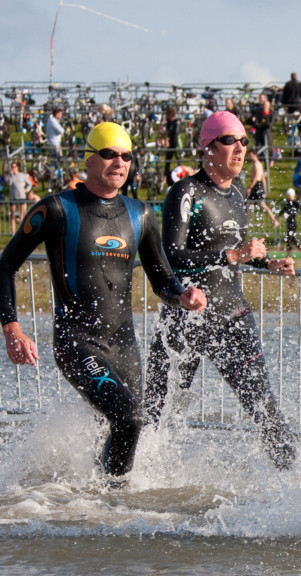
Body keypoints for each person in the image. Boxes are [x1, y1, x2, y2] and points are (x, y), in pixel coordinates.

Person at [0, 122, 207, 481]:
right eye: (109, 153)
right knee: (130, 418)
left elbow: (162, 279)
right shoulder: (56, 209)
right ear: (89, 160)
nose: (119, 161)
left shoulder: (140, 214)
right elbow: (4, 267)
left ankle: (82, 497)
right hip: (77, 343)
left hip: (124, 347)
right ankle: (113, 504)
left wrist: (183, 295)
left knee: (124, 429)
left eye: (127, 155)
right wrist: (12, 329)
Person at [144, 111, 297, 470]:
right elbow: (172, 257)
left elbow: (238, 249)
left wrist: (267, 262)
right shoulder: (186, 192)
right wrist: (231, 255)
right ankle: (128, 481)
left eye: (244, 141)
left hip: (233, 318)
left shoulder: (239, 192)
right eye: (229, 140)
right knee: (156, 410)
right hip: (186, 320)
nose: (240, 148)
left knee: (263, 404)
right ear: (208, 147)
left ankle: (298, 480)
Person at [247, 148, 279, 227]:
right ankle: (246, 222)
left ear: (255, 155)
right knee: (250, 204)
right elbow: (263, 178)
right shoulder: (259, 164)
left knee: (260, 204)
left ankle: (274, 221)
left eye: (250, 155)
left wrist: (250, 188)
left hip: (256, 186)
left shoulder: (256, 164)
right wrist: (264, 189)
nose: (249, 156)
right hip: (258, 186)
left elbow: (256, 178)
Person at [279, 187, 301, 259]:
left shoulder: (296, 203)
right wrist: (276, 217)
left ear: (292, 195)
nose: (287, 197)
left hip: (293, 224)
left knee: (292, 239)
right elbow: (283, 210)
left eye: (288, 195)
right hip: (289, 224)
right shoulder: (288, 203)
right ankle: (288, 256)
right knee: (289, 240)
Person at [6, 161, 34, 234]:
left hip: (21, 196)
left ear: (17, 167)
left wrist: (26, 190)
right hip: (13, 197)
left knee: (22, 214)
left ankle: (21, 231)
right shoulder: (9, 176)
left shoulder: (22, 175)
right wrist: (11, 175)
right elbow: (9, 183)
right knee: (12, 214)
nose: (13, 168)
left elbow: (29, 184)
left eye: (14, 167)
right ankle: (13, 232)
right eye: (12, 167)